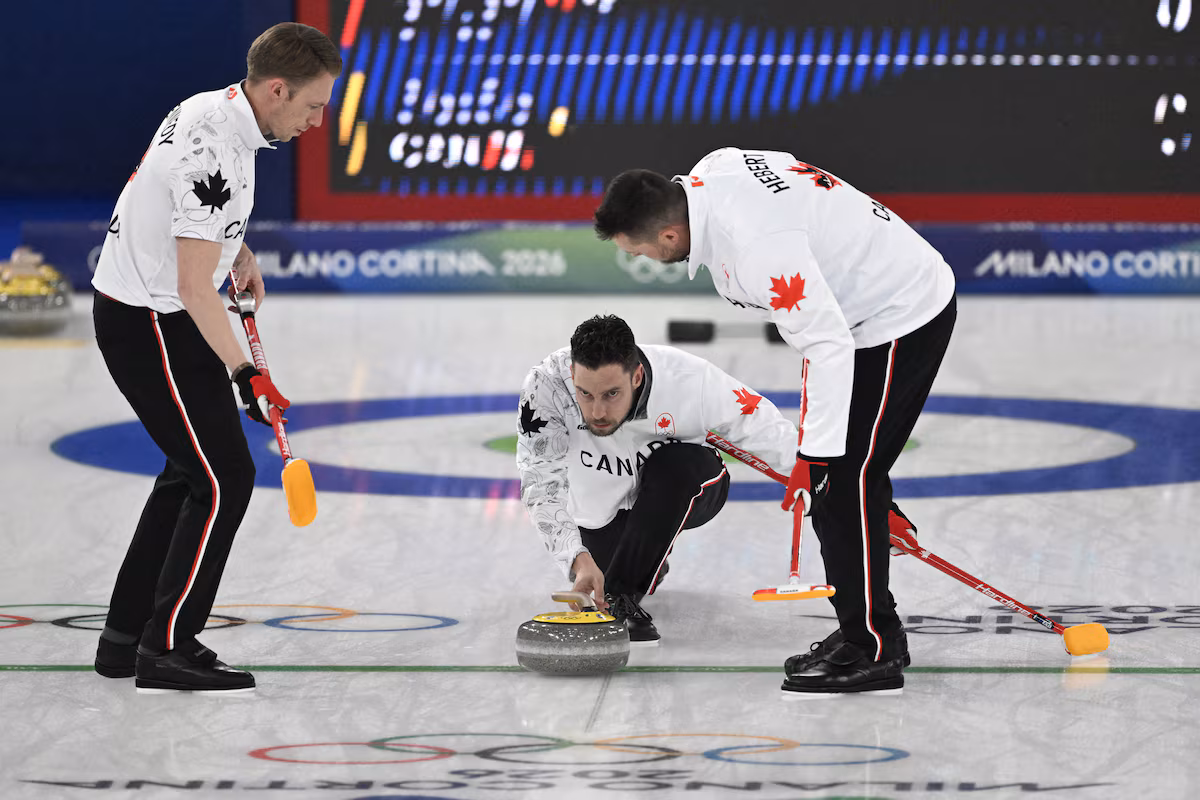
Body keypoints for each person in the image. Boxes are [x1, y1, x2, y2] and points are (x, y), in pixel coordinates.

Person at [593, 149, 956, 695]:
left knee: (842, 482)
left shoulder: (760, 249)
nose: (644, 258)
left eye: (639, 250)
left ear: (669, 235)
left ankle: (872, 646)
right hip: (855, 311)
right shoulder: (714, 169)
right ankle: (867, 628)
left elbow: (827, 342)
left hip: (898, 316)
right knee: (845, 482)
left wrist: (815, 457)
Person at [89, 23, 342, 693]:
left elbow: (190, 214)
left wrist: (239, 249)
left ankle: (124, 639)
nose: (317, 122)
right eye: (313, 106)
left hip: (154, 311)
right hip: (152, 322)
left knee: (190, 471)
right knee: (224, 478)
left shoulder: (213, 108)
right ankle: (168, 647)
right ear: (278, 89)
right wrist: (247, 373)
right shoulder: (218, 153)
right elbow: (194, 287)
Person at [517, 314, 798, 644]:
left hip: (689, 484)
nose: (597, 413)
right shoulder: (547, 386)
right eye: (585, 394)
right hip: (603, 506)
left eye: (611, 394)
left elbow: (761, 425)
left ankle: (623, 601)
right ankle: (650, 557)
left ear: (636, 376)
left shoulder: (690, 379)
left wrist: (817, 475)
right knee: (601, 569)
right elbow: (541, 481)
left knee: (676, 465)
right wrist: (576, 559)